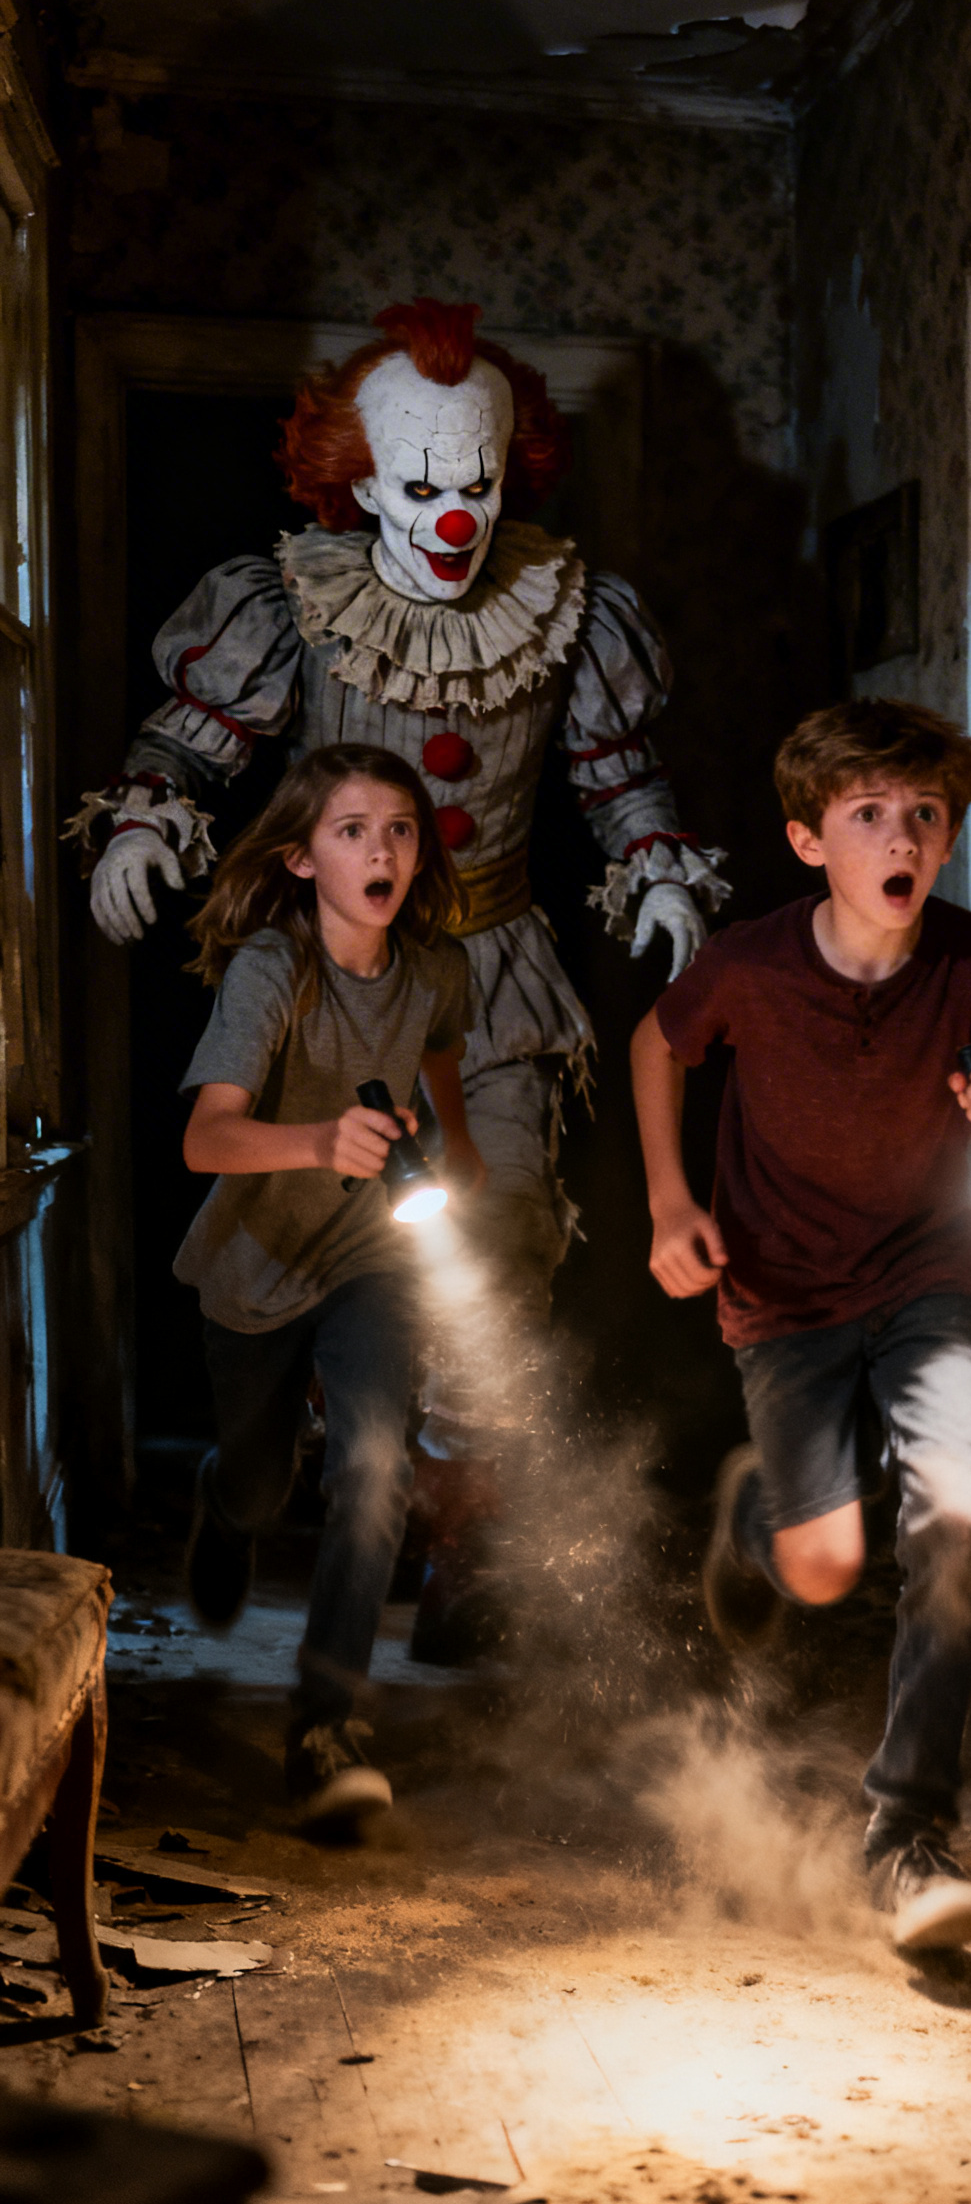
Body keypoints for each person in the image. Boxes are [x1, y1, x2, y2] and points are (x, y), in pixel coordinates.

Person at [67, 299, 726, 1664]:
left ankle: (462, 1547)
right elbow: (191, 738)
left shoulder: (567, 609)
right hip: (339, 984)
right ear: (362, 482)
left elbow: (618, 775)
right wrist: (141, 821)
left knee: (501, 1243)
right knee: (331, 1249)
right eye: (421, 488)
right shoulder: (294, 602)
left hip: (495, 976)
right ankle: (285, 1477)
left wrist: (657, 869)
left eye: (473, 482)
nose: (452, 515)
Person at [630, 699, 971, 1951]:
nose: (903, 838)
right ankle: (757, 1520)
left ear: (948, 838)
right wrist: (671, 1200)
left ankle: (906, 1836)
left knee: (957, 1522)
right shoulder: (752, 964)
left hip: (924, 1280)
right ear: (809, 841)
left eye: (925, 816)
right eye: (870, 815)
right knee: (825, 1568)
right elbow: (656, 1044)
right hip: (780, 1291)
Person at [178, 741, 484, 1828]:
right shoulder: (273, 970)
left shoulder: (437, 970)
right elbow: (205, 1140)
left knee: (373, 1466)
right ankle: (225, 1502)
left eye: (399, 830)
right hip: (257, 1261)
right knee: (264, 1486)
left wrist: (454, 1162)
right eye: (352, 831)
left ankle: (325, 1727)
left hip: (373, 1252)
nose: (380, 850)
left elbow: (438, 1074)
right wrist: (320, 1140)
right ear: (304, 858)